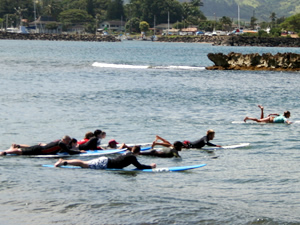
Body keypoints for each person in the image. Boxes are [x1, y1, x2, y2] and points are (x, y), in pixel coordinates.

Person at [54, 146, 156, 170]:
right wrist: (151, 166)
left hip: (105, 160)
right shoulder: (132, 157)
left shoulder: (127, 153)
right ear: (138, 152)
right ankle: (63, 162)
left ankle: (65, 161)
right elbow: (139, 166)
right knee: (83, 164)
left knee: (83, 163)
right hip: (105, 163)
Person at [0, 135, 85, 156]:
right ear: (64, 140)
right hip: (39, 150)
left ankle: (15, 146)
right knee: (20, 152)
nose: (68, 142)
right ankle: (4, 152)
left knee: (27, 148)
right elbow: (69, 152)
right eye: (68, 141)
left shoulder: (59, 141)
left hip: (40, 149)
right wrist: (79, 152)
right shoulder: (61, 143)